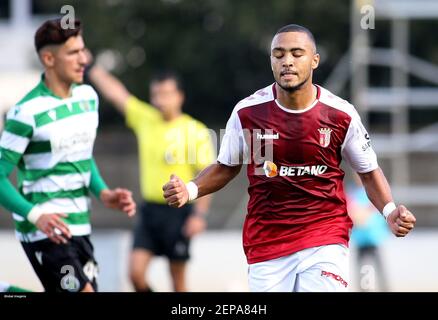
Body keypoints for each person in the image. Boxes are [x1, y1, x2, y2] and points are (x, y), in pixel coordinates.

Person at [162, 24, 416, 292]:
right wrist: (189, 190)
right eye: (279, 54)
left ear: (314, 60)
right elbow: (226, 166)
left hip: (324, 235)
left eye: (297, 53)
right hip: (267, 240)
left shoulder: (341, 114)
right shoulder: (247, 113)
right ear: (271, 60)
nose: (287, 62)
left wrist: (389, 211)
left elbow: (368, 172)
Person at [0, 18, 136, 292]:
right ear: (49, 58)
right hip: (44, 230)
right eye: (73, 52)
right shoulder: (26, 112)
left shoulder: (88, 98)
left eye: (83, 50)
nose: (83, 59)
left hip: (80, 225)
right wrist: (35, 215)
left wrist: (104, 193)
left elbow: (82, 158)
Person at [87, 63, 215, 292]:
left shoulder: (194, 130)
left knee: (178, 281)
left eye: (166, 94)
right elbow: (118, 94)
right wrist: (92, 67)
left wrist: (199, 215)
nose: (160, 100)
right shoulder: (145, 118)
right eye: (155, 94)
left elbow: (207, 175)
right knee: (135, 274)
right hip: (149, 211)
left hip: (180, 212)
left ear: (179, 96)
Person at [347, 176, 390, 291]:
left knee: (378, 271)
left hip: (374, 238)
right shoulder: (353, 194)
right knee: (364, 271)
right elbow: (355, 216)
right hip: (361, 239)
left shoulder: (374, 192)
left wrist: (362, 214)